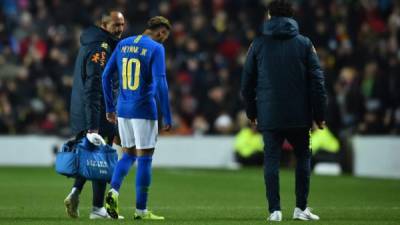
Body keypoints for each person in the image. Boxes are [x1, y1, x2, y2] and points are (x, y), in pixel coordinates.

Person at [241, 0, 327, 222]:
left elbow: (247, 83)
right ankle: (301, 208)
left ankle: (275, 211)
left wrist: (251, 112)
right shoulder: (305, 44)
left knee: (271, 159)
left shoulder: (257, 44)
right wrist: (320, 115)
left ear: (269, 16)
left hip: (269, 113)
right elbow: (317, 81)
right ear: (292, 17)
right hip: (299, 114)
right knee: (302, 158)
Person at [102, 16, 172, 220]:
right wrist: (166, 114)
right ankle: (141, 210)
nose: (164, 40)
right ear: (160, 32)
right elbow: (161, 83)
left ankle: (113, 192)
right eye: (165, 36)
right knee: (145, 158)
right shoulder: (156, 48)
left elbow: (106, 75)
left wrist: (109, 107)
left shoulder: (123, 43)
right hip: (143, 109)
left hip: (123, 109)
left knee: (128, 155)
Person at [64, 11, 125, 219]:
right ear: (104, 24)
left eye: (122, 24)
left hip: (84, 110)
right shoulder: (101, 47)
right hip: (95, 113)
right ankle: (98, 209)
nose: (120, 28)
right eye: (116, 24)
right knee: (102, 159)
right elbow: (93, 86)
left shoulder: (93, 41)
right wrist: (93, 127)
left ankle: (75, 192)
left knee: (90, 158)